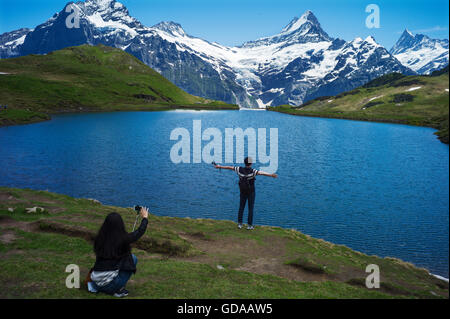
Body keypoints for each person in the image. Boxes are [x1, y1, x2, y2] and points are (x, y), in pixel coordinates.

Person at [88, 207, 149, 297]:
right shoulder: (122, 240)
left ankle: (102, 286)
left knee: (124, 259)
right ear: (120, 225)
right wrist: (145, 218)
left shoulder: (99, 238)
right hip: (108, 285)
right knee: (132, 258)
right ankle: (117, 290)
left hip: (95, 280)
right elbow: (139, 232)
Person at [214, 157, 277, 230]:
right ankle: (249, 225)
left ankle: (240, 224)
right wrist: (271, 175)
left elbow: (229, 167)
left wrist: (219, 166)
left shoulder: (239, 169)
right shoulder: (253, 171)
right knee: (250, 208)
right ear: (251, 164)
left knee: (241, 207)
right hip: (251, 192)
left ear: (244, 163)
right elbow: (261, 173)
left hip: (242, 191)